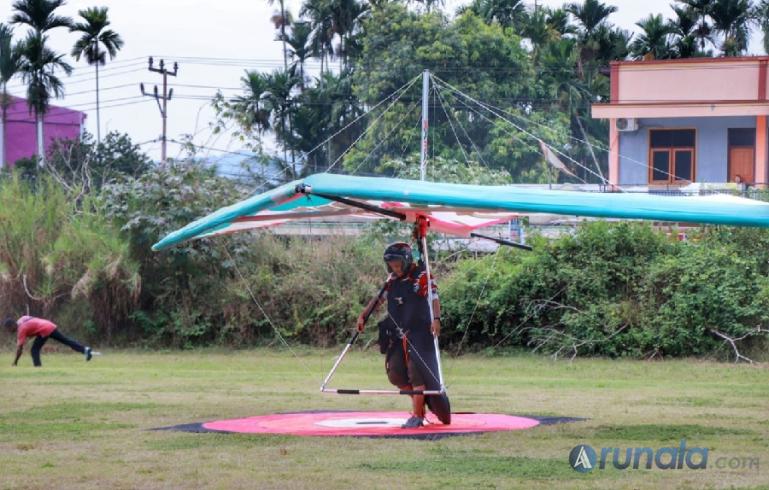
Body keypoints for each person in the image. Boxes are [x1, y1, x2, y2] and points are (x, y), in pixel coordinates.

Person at [357, 241, 444, 429]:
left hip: (420, 333)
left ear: (406, 261)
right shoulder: (392, 280)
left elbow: (434, 298)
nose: (394, 268)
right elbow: (379, 299)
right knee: (396, 373)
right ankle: (421, 401)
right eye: (391, 265)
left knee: (416, 373)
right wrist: (364, 314)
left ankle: (417, 416)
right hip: (398, 334)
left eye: (397, 264)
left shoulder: (421, 276)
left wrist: (436, 319)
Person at [4, 316, 94, 367]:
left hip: (44, 330)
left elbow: (20, 349)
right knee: (66, 340)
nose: (8, 331)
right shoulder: (21, 319)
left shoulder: (21, 330)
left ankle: (38, 368)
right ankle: (85, 350)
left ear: (12, 325)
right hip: (48, 325)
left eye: (8, 329)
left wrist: (15, 362)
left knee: (34, 349)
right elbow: (32, 322)